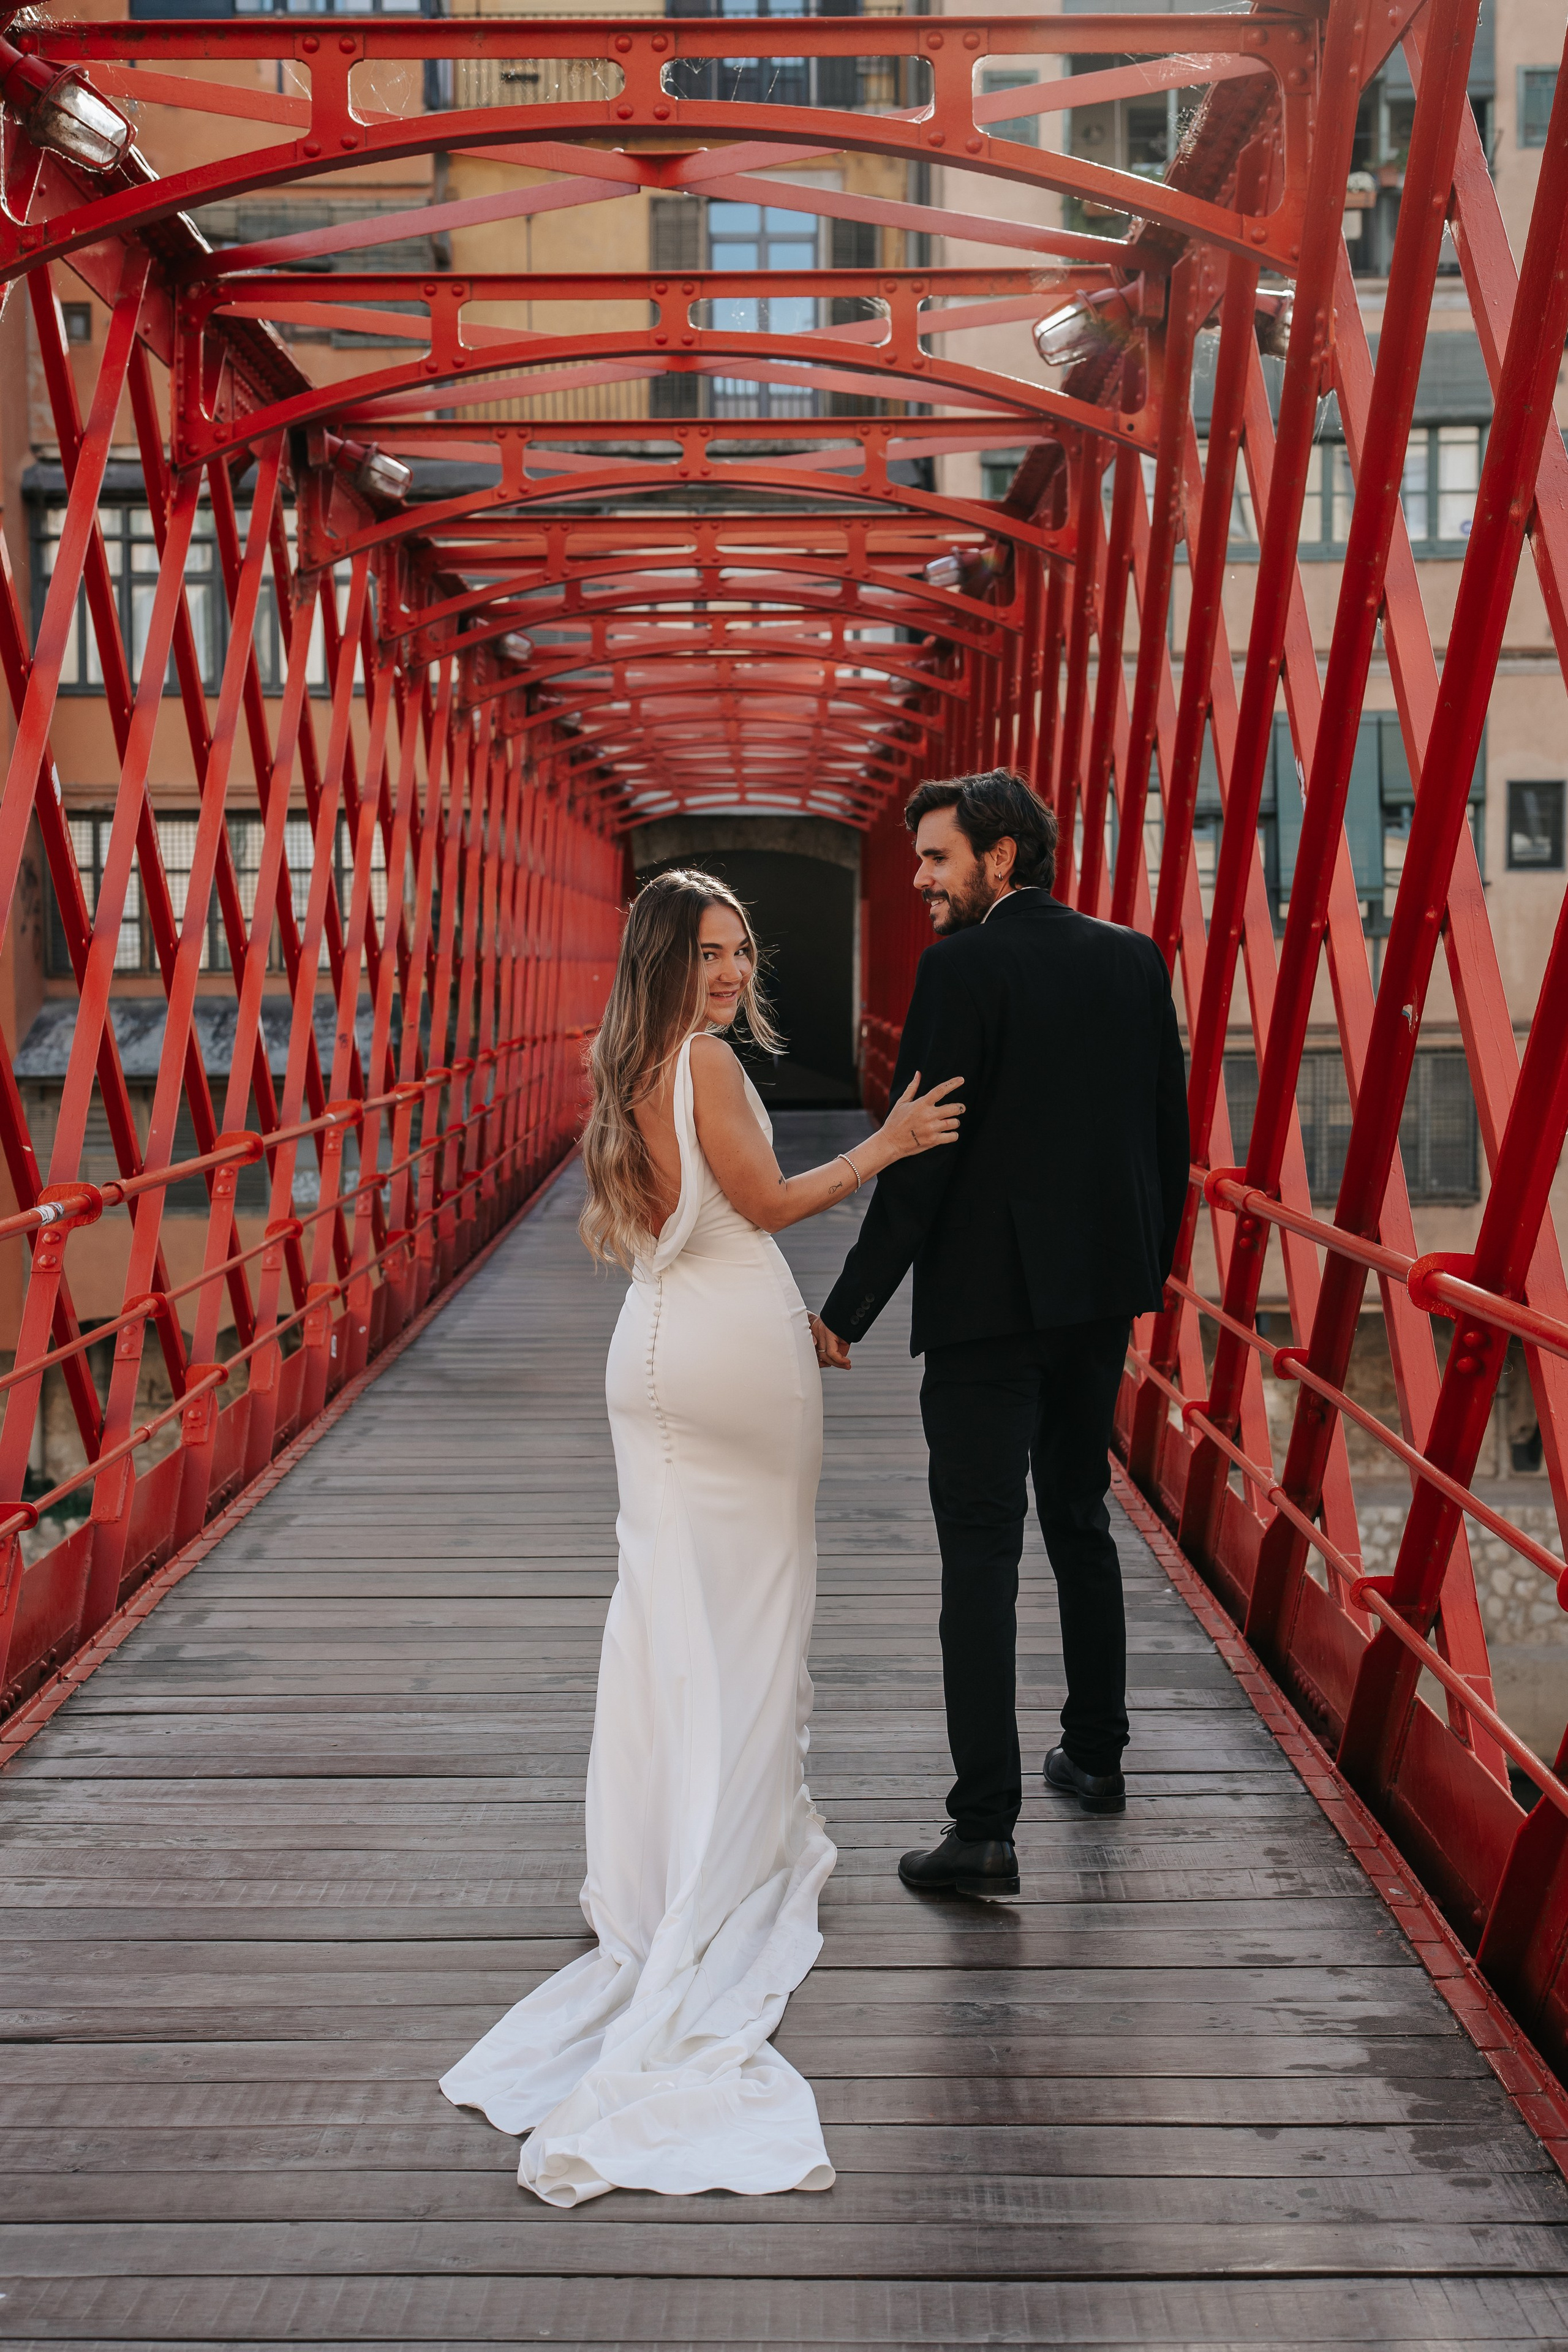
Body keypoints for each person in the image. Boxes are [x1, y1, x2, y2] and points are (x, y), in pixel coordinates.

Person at [440, 867, 963, 2204]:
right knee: (753, 1613)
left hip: (655, 1348)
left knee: (669, 1615)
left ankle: (661, 1857)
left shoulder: (624, 1066)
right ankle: (722, 1862)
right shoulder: (710, 1065)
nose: (733, 973)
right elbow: (770, 1207)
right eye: (710, 952)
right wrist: (889, 1145)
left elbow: (683, 1219)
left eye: (741, 951)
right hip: (733, 1347)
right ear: (667, 961)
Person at [813, 771, 1189, 1900]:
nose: (921, 881)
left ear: (1002, 856)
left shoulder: (961, 970)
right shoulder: (1134, 960)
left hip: (986, 1313)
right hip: (1097, 1300)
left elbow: (920, 1157)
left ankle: (983, 1827)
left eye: (937, 858)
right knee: (1080, 1516)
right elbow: (1167, 1137)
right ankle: (1098, 1755)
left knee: (980, 1552)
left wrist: (846, 1309)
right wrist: (1138, 1271)